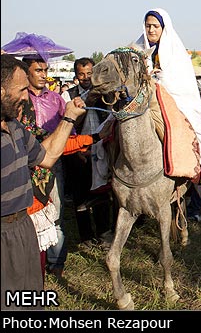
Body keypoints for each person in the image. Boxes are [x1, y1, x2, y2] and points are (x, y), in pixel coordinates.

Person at [1, 56, 86, 310]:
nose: (27, 98)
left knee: (31, 300)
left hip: (23, 228)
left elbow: (46, 156)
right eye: (21, 90)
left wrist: (69, 117)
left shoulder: (15, 126)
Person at [135, 8, 201, 218]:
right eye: (148, 25)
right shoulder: (138, 48)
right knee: (111, 129)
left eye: (155, 26)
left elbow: (179, 83)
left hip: (173, 103)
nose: (151, 29)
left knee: (197, 139)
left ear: (163, 28)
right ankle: (105, 182)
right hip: (143, 101)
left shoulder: (176, 52)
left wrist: (159, 79)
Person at [21, 56, 69, 278]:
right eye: (38, 70)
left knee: (55, 214)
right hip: (25, 166)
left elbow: (69, 130)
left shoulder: (57, 99)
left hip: (52, 164)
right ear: (26, 73)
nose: (43, 75)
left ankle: (56, 262)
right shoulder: (20, 100)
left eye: (45, 70)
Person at [61, 58, 114, 248]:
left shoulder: (105, 95)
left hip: (100, 149)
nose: (85, 78)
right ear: (76, 75)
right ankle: (85, 236)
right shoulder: (68, 95)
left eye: (89, 73)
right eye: (81, 74)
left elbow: (110, 120)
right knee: (80, 194)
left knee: (101, 192)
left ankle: (104, 233)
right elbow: (66, 125)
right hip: (77, 151)